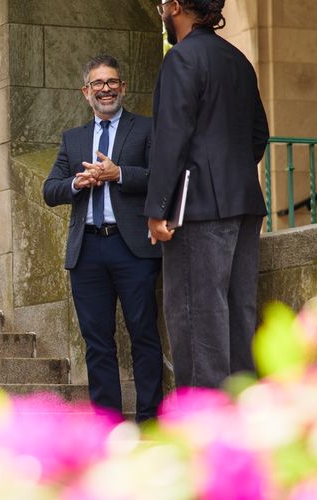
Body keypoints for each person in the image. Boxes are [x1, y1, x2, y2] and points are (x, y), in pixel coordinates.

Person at [145, 0, 269, 389]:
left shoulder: (181, 59)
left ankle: (205, 432)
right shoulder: (238, 60)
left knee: (197, 319)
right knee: (238, 315)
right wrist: (231, 174)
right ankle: (241, 418)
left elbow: (171, 139)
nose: (162, 12)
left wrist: (156, 209)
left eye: (163, 5)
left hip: (197, 208)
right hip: (245, 203)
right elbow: (258, 135)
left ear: (177, 7)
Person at [43, 54, 163, 421]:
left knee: (143, 335)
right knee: (97, 344)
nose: (106, 89)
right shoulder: (73, 139)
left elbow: (160, 175)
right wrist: (78, 182)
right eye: (98, 83)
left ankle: (149, 421)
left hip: (133, 249)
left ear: (122, 88)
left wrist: (119, 173)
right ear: (86, 92)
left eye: (112, 82)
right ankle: (107, 425)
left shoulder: (145, 129)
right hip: (88, 251)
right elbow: (51, 190)